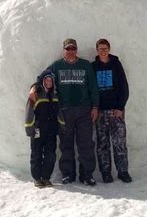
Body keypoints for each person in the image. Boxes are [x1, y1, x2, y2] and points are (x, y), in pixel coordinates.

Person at [32, 38, 99, 186]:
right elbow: (42, 77)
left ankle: (87, 174)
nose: (70, 51)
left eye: (73, 48)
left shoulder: (85, 65)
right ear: (64, 50)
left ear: (76, 49)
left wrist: (95, 107)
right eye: (68, 49)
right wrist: (35, 87)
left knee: (86, 143)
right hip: (64, 111)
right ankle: (68, 174)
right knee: (66, 143)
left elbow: (93, 88)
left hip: (84, 111)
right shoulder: (57, 66)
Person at [92, 38, 132, 183]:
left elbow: (124, 87)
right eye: (100, 49)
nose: (103, 51)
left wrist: (120, 107)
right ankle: (106, 173)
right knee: (103, 144)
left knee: (119, 142)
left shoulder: (116, 64)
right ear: (97, 50)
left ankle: (123, 171)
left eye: (105, 49)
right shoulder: (93, 66)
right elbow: (91, 90)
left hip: (116, 111)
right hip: (101, 112)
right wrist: (95, 108)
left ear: (109, 49)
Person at [25, 71, 63, 188]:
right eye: (46, 80)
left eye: (50, 81)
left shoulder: (55, 95)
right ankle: (37, 178)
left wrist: (62, 125)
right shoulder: (36, 94)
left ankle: (46, 177)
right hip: (38, 129)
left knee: (50, 154)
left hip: (51, 129)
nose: (48, 82)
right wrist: (29, 126)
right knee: (36, 153)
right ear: (43, 81)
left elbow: (59, 112)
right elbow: (29, 111)